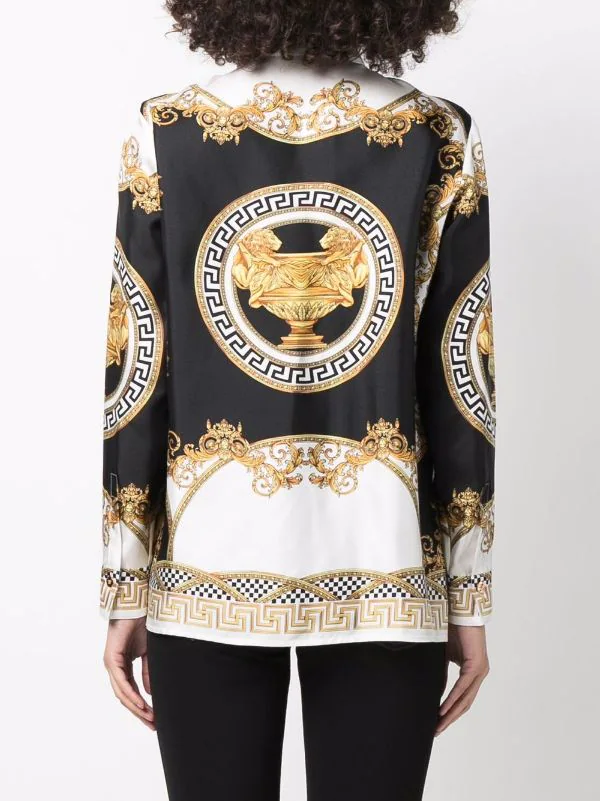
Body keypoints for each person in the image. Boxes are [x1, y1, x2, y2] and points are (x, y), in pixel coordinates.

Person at [100, 2, 494, 799]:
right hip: (384, 566)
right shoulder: (438, 133)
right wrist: (469, 596)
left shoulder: (166, 131)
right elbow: (464, 379)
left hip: (204, 566)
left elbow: (136, 375)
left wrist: (124, 585)